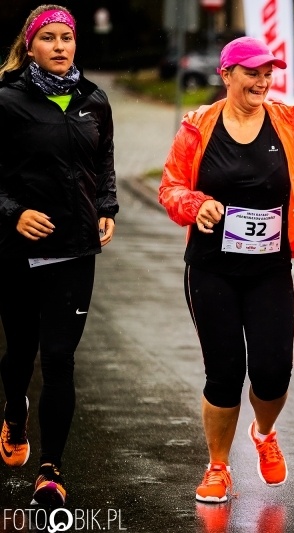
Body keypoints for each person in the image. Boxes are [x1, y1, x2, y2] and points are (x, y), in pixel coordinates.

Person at [159, 36, 294, 503]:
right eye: (252, 72)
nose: (262, 81)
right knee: (224, 372)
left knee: (273, 370)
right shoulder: (198, 126)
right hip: (211, 266)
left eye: (268, 73)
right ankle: (218, 466)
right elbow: (171, 187)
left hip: (269, 268)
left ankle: (264, 432)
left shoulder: (288, 122)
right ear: (227, 74)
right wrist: (195, 204)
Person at [0, 4, 117, 509]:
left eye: (66, 38)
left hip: (74, 250)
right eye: (48, 38)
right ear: (30, 46)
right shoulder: (7, 100)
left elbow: (105, 157)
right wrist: (14, 213)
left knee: (61, 359)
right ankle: (12, 412)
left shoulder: (94, 99)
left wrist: (107, 207)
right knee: (20, 352)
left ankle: (51, 471)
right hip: (18, 251)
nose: (59, 46)